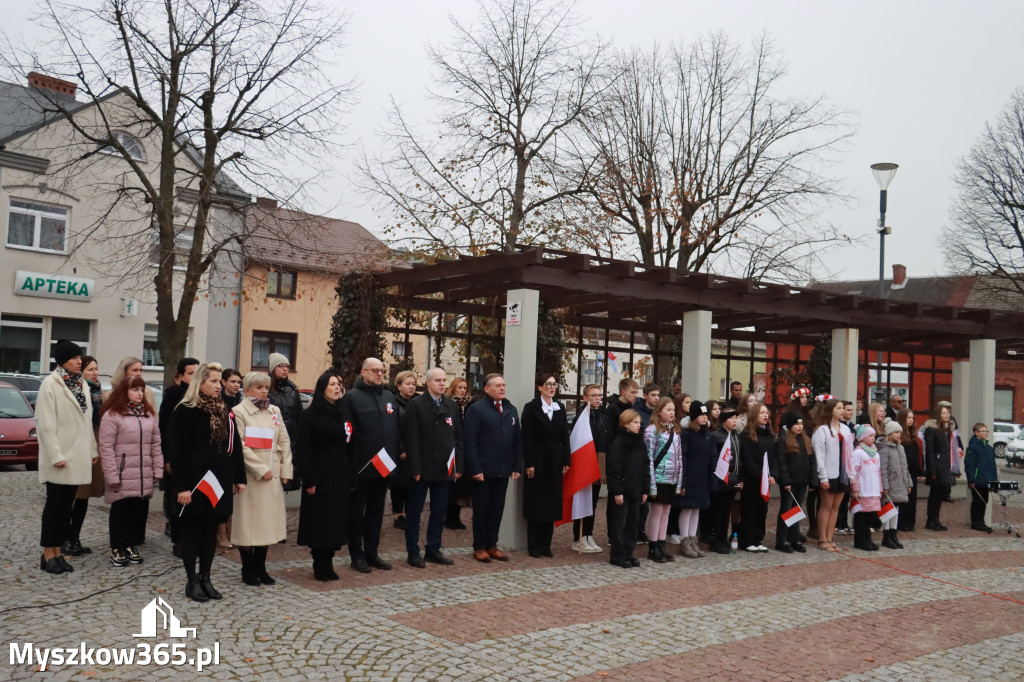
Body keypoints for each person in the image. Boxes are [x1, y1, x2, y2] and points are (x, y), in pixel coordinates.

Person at [167, 362, 246, 602]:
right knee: (191, 532)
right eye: (213, 381)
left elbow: (235, 446)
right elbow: (176, 451)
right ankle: (192, 581)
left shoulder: (223, 410)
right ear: (199, 382)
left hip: (218, 481)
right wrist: (181, 486)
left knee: (211, 532)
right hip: (193, 483)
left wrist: (239, 477)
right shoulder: (185, 410)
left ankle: (206, 578)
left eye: (219, 381)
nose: (218, 385)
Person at [36, 340, 98, 574]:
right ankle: (47, 553)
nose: (79, 361)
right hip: (60, 457)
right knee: (54, 507)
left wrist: (92, 450)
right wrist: (55, 455)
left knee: (66, 509)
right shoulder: (50, 384)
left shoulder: (80, 383)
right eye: (74, 357)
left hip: (78, 456)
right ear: (62, 360)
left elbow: (86, 421)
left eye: (80, 357)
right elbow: (45, 424)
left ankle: (58, 552)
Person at [340, 357, 403, 573]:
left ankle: (372, 553)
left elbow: (395, 429)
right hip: (361, 467)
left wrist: (397, 454)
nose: (379, 374)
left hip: (384, 467)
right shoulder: (351, 397)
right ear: (363, 371)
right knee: (356, 513)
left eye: (382, 371)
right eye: (375, 370)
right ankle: (356, 555)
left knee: (376, 513)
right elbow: (347, 432)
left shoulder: (389, 397)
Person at [231, 372, 293, 586]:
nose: (264, 391)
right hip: (251, 477)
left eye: (266, 387)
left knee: (267, 524)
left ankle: (261, 567)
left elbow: (284, 440)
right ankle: (247, 567)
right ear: (247, 390)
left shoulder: (274, 410)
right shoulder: (238, 412)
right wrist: (259, 468)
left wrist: (285, 470)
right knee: (249, 525)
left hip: (272, 477)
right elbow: (239, 445)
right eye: (259, 387)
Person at [99, 376, 162, 567]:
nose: (140, 393)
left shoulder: (149, 415)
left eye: (142, 390)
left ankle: (129, 544)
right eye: (135, 390)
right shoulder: (112, 416)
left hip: (142, 473)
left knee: (135, 511)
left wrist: (157, 470)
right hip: (122, 472)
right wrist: (111, 475)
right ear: (124, 392)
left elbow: (156, 445)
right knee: (120, 511)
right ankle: (117, 547)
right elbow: (106, 447)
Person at [402, 368, 462, 568]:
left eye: (445, 380)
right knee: (415, 512)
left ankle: (433, 549)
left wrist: (457, 466)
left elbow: (458, 438)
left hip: (445, 469)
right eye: (438, 380)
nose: (442, 384)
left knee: (439, 511)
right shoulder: (416, 405)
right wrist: (415, 468)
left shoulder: (451, 405)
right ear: (428, 383)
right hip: (422, 468)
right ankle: (413, 551)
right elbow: (411, 439)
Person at [296, 370, 350, 581]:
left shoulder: (341, 412)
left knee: (335, 521)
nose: (337, 388)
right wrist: (309, 479)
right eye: (332, 384)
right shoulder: (309, 416)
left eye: (339, 384)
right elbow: (304, 450)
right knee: (320, 522)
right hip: (319, 477)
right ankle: (319, 562)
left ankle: (329, 561)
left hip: (339, 476)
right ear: (322, 389)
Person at [463, 373, 523, 562]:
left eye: (503, 385)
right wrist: (475, 468)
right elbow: (469, 441)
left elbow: (517, 440)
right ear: (487, 389)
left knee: (497, 509)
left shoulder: (510, 409)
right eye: (497, 385)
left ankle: (492, 544)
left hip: (503, 468)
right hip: (483, 469)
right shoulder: (477, 410)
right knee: (482, 508)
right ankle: (479, 546)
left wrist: (517, 465)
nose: (502, 388)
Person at [520, 372, 571, 558]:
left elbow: (564, 435)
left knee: (551, 502)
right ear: (540, 387)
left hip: (555, 460)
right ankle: (533, 545)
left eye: (554, 384)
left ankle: (546, 544)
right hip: (537, 459)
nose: (552, 387)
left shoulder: (560, 408)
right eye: (548, 384)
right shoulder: (531, 408)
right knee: (536, 501)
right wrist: (529, 463)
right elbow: (526, 438)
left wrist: (566, 460)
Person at [65, 355, 104, 557]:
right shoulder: (76, 390)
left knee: (84, 496)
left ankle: (75, 537)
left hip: (94, 446)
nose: (95, 373)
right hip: (78, 447)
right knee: (72, 496)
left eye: (96, 369)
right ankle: (65, 538)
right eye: (90, 369)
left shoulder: (98, 391)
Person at [158, 357, 199, 547]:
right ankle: (178, 539)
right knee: (176, 497)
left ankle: (191, 538)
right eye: (191, 373)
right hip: (176, 455)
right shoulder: (174, 396)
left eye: (197, 373)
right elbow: (164, 428)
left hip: (196, 458)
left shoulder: (202, 395)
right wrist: (167, 458)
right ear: (180, 376)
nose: (195, 377)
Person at [572, 384, 613, 553]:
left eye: (599, 395)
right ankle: (578, 537)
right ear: (585, 398)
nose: (598, 398)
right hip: (585, 461)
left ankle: (588, 534)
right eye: (594, 395)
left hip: (599, 461)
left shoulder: (603, 416)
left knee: (593, 501)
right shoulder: (581, 417)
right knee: (583, 499)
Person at [605, 409, 649, 568]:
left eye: (639, 422)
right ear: (625, 424)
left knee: (632, 524)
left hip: (636, 490)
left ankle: (629, 553)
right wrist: (617, 491)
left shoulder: (640, 443)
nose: (639, 425)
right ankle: (617, 555)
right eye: (635, 423)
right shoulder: (617, 444)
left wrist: (645, 489)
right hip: (622, 491)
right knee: (619, 525)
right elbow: (614, 470)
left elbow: (645, 466)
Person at [644, 397, 682, 563]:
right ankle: (653, 546)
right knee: (657, 511)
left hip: (671, 478)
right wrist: (651, 484)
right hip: (658, 478)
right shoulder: (652, 431)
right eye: (668, 410)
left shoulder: (675, 431)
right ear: (659, 412)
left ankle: (661, 544)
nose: (672, 413)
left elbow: (679, 458)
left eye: (673, 410)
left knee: (666, 511)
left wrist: (678, 481)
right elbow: (649, 458)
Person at [811, 398, 851, 551]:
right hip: (829, 473)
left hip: (842, 472)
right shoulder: (822, 430)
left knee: (836, 507)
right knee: (826, 506)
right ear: (830, 410)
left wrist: (851, 474)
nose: (842, 411)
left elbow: (849, 453)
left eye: (842, 408)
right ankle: (822, 539)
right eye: (839, 408)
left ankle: (829, 538)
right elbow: (819, 455)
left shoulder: (846, 429)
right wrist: (823, 476)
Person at [676, 401, 715, 558]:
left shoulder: (707, 435)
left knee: (696, 509)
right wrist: (683, 481)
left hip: (701, 478)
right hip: (690, 477)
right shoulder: (686, 435)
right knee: (687, 508)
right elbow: (682, 458)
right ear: (693, 417)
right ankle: (685, 541)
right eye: (701, 415)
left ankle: (693, 540)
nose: (705, 418)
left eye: (706, 415)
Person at [774, 412, 815, 553]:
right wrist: (785, 481)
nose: (799, 426)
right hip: (790, 482)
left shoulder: (805, 440)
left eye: (801, 424)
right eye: (796, 424)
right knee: (787, 509)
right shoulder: (784, 440)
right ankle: (782, 539)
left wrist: (811, 481)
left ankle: (794, 538)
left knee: (796, 510)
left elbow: (811, 461)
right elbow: (782, 463)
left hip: (802, 481)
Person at [738, 402, 775, 552]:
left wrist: (772, 475)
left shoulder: (769, 435)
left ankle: (758, 538)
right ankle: (747, 540)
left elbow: (773, 458)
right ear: (754, 416)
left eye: (767, 413)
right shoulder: (747, 435)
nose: (765, 415)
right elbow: (747, 459)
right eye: (761, 413)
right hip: (752, 481)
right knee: (750, 510)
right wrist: (761, 476)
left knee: (762, 510)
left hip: (766, 481)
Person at [707, 408, 741, 554]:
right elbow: (713, 459)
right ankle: (715, 540)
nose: (734, 421)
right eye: (731, 418)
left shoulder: (735, 436)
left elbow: (740, 460)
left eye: (736, 418)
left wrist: (740, 478)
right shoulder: (716, 436)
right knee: (717, 511)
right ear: (724, 420)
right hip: (720, 480)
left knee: (727, 511)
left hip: (733, 480)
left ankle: (722, 538)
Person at [267, 354, 302, 491]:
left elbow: (299, 415)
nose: (285, 369)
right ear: (273, 368)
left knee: (286, 479)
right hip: (272, 441)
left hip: (291, 440)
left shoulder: (293, 390)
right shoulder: (266, 389)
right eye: (281, 366)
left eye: (287, 366)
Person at [218, 368, 243, 551]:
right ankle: (220, 532)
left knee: (233, 495)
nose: (236, 385)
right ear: (224, 382)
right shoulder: (220, 403)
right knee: (223, 496)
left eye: (238, 382)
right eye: (233, 381)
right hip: (223, 452)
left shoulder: (241, 402)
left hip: (238, 451)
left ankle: (230, 530)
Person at [443, 377, 473, 530]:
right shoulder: (448, 403)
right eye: (460, 387)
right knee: (451, 485)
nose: (463, 390)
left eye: (465, 388)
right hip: (450, 447)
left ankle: (456, 516)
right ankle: (448, 517)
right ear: (453, 388)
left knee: (461, 485)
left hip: (463, 447)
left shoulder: (468, 406)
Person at [390, 370, 417, 531]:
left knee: (413, 484)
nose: (411, 387)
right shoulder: (393, 403)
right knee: (398, 485)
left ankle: (409, 513)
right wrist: (401, 450)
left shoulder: (419, 402)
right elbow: (393, 429)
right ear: (399, 386)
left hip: (416, 451)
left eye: (413, 384)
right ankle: (398, 515)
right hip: (399, 452)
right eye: (407, 384)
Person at [878, 420, 912, 549]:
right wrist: (885, 486)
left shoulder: (900, 448)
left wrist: (908, 482)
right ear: (889, 433)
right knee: (888, 510)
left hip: (900, 484)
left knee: (896, 510)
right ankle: (886, 535)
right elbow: (883, 470)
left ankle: (893, 533)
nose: (899, 434)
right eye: (896, 432)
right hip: (890, 485)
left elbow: (905, 467)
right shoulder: (884, 449)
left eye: (900, 432)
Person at [850, 425, 882, 551]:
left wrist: (880, 488)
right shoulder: (858, 453)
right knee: (861, 517)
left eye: (874, 435)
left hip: (873, 490)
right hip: (863, 490)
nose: (873, 438)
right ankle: (860, 540)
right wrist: (855, 489)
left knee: (869, 517)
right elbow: (855, 473)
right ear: (862, 438)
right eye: (870, 435)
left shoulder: (875, 454)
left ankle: (868, 539)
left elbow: (878, 473)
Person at [923, 404, 956, 531]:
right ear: (938, 415)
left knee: (941, 494)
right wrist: (932, 470)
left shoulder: (947, 430)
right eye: (943, 413)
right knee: (934, 494)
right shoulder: (931, 429)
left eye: (947, 413)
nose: (947, 415)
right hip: (936, 465)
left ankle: (936, 519)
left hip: (945, 465)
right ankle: (930, 520)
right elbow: (930, 450)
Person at [965, 423, 998, 533]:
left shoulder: (989, 448)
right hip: (977, 479)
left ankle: (981, 522)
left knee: (984, 501)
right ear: (976, 433)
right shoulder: (973, 448)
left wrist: (994, 480)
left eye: (986, 431)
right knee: (977, 502)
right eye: (983, 431)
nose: (985, 433)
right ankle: (976, 522)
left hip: (987, 479)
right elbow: (969, 465)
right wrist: (971, 479)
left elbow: (992, 466)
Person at [896, 408, 923, 532]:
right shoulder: (899, 434)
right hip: (902, 471)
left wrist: (919, 470)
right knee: (903, 498)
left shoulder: (914, 435)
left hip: (912, 471)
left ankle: (910, 522)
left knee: (912, 498)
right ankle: (902, 523)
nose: (911, 420)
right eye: (908, 418)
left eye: (912, 418)